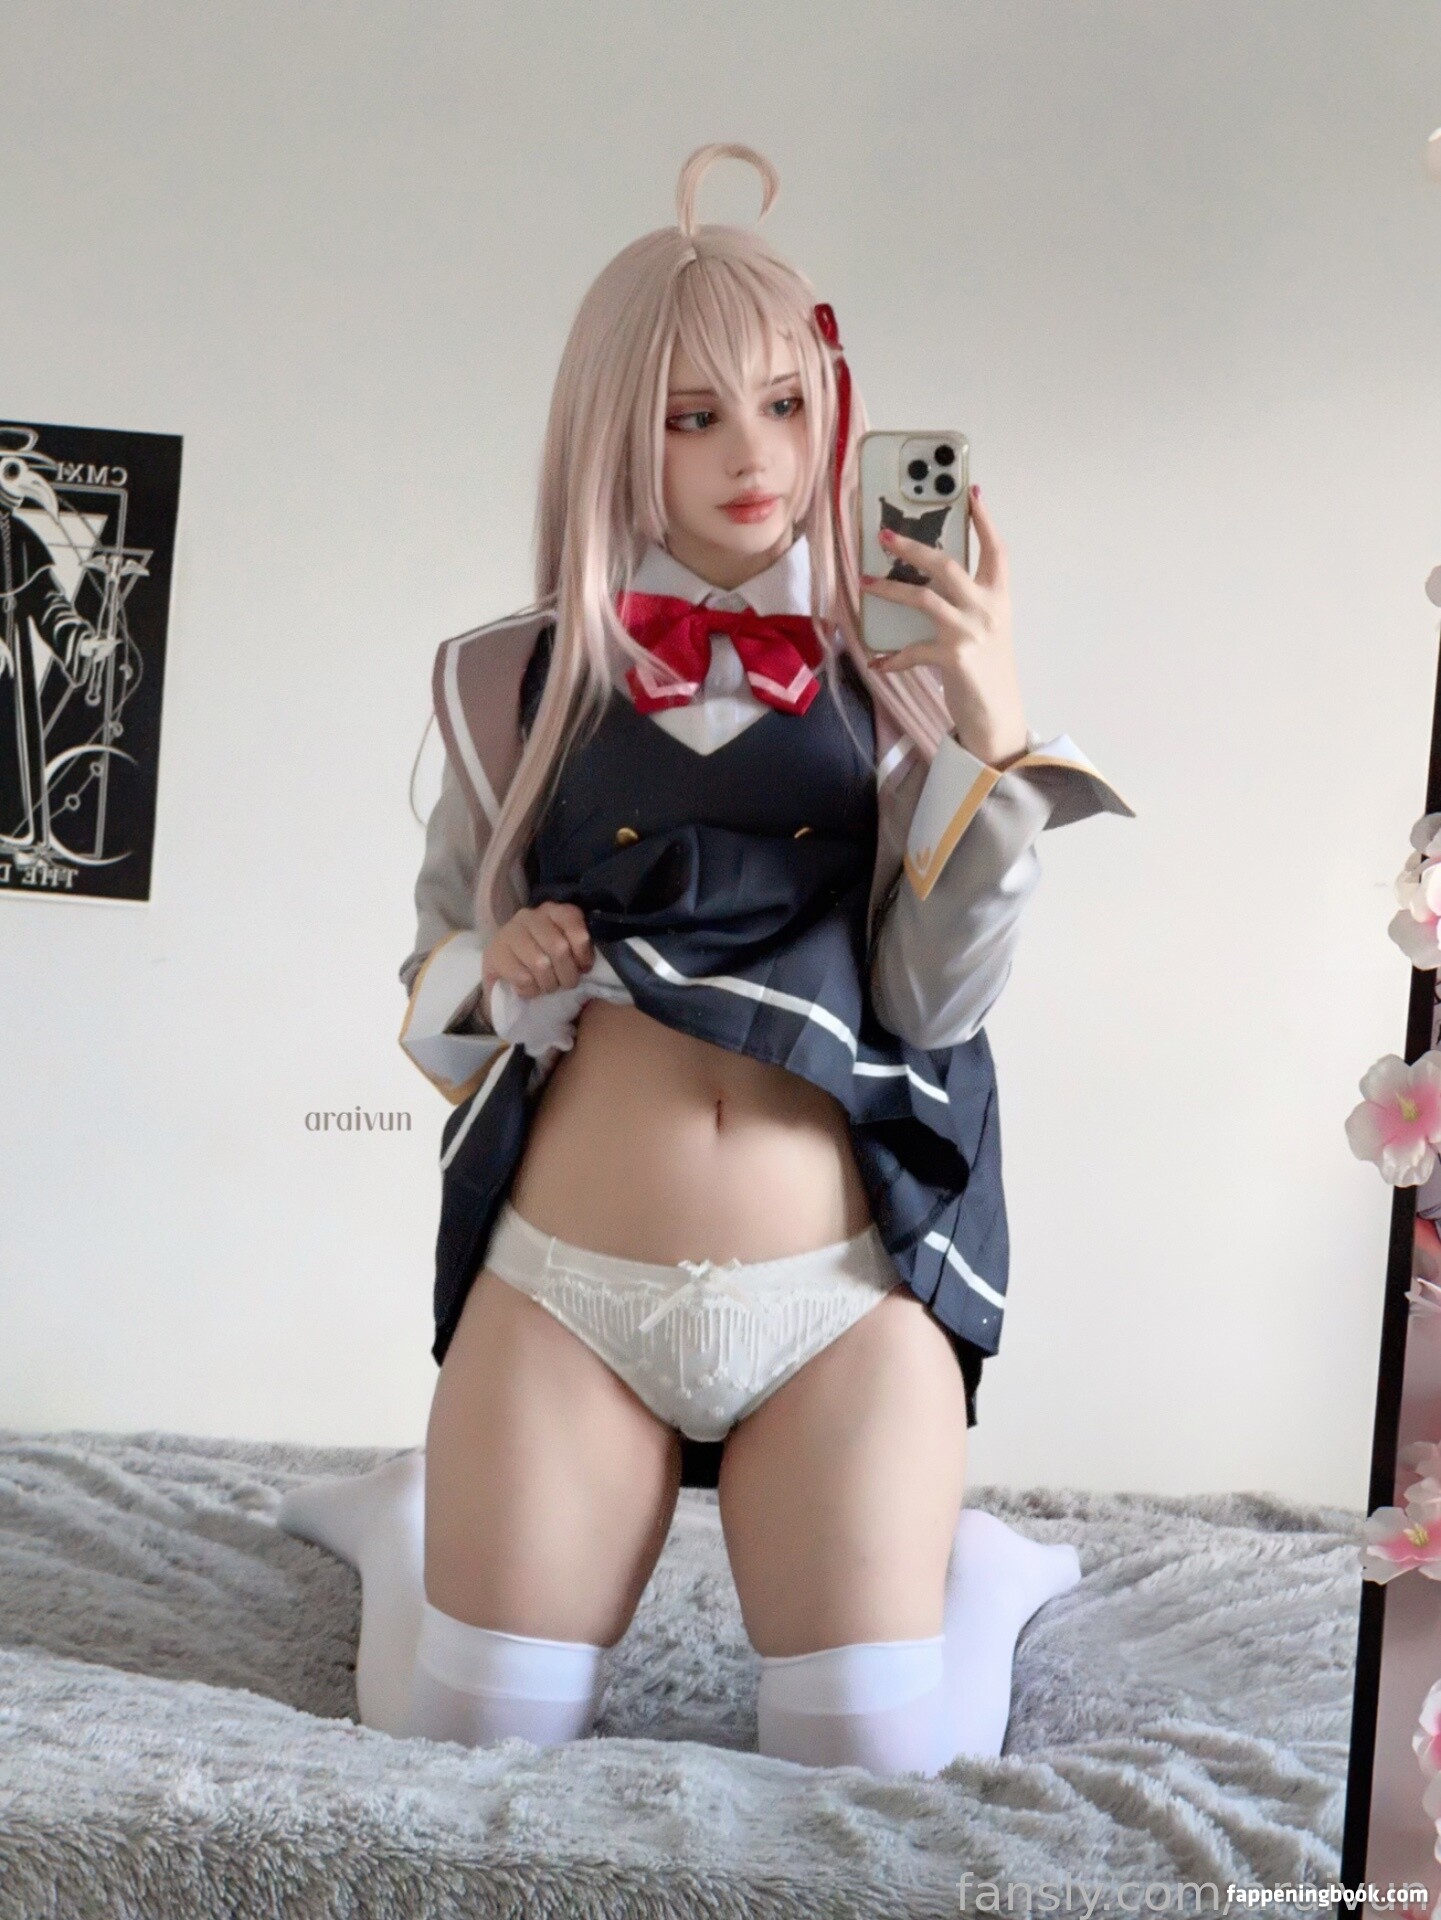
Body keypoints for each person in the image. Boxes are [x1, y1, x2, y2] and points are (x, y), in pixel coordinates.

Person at [279, 142, 1131, 1778]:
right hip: (563, 1296)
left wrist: (993, 732)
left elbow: (932, 1006)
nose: (754, 455)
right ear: (615, 434)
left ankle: (981, 1577)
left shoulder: (905, 686)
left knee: (867, 1763)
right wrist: (504, 970)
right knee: (462, 1737)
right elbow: (431, 1000)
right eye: (692, 416)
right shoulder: (506, 687)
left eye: (787, 404)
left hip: (841, 1305)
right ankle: (409, 1525)